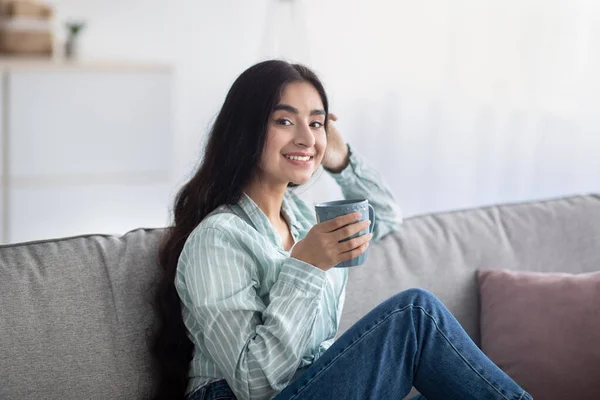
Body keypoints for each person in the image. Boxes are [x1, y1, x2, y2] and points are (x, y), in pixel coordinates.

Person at [151, 60, 533, 400]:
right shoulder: (218, 239)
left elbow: (383, 216)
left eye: (315, 123)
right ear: (245, 131)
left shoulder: (302, 219)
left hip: (315, 382)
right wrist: (307, 267)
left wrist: (339, 158)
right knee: (417, 316)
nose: (306, 138)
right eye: (285, 121)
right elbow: (255, 386)